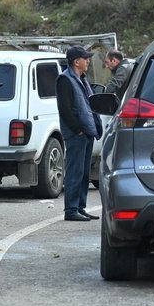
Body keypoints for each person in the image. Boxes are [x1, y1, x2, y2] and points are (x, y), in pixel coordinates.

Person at [56, 45, 103, 222]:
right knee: (74, 171)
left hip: (86, 132)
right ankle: (71, 209)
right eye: (85, 58)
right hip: (77, 133)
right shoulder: (65, 80)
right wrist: (79, 129)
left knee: (83, 172)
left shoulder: (82, 79)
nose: (88, 60)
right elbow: (65, 110)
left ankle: (80, 207)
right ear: (77, 61)